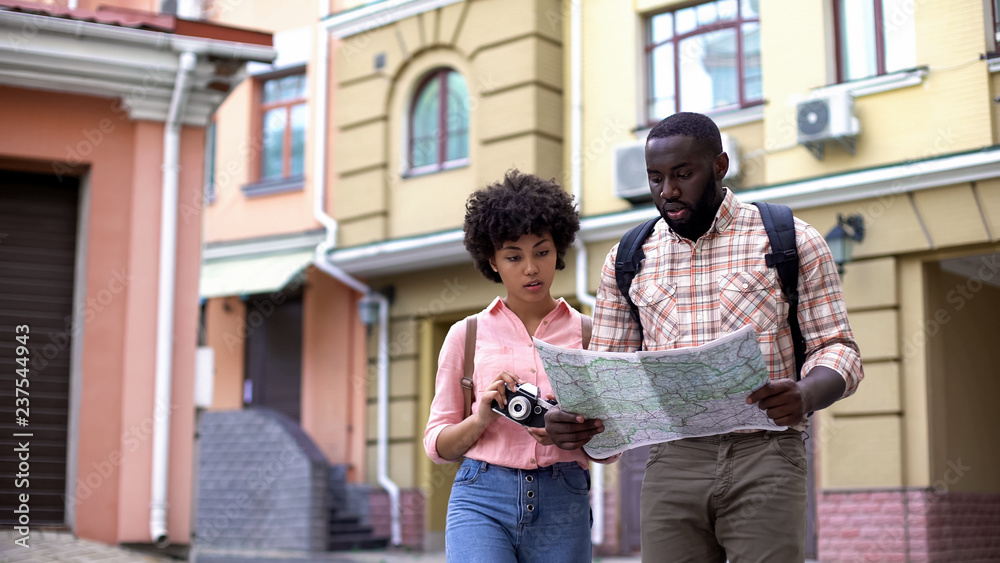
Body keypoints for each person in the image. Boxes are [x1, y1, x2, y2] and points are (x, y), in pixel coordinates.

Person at [545, 112, 864, 562]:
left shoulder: (790, 240)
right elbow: (608, 377)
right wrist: (572, 420)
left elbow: (837, 347)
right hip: (672, 460)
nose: (667, 191)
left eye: (683, 174)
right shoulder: (628, 258)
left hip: (767, 453)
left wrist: (807, 392)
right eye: (655, 178)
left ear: (720, 166)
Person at [424, 169, 612, 563]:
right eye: (513, 256)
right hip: (481, 495)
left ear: (558, 250)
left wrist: (571, 434)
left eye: (542, 252)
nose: (530, 268)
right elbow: (437, 445)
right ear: (491, 261)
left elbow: (611, 450)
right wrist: (480, 419)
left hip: (565, 497)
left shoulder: (590, 334)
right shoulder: (466, 334)